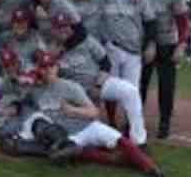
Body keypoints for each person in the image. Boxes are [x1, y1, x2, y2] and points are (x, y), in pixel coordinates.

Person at [0, 52, 170, 177]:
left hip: (88, 126)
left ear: (57, 67)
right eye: (44, 67)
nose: (48, 70)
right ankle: (122, 161)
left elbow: (94, 112)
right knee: (73, 152)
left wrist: (73, 111)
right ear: (39, 70)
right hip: (69, 136)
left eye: (51, 66)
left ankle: (156, 175)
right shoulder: (35, 91)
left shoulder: (71, 87)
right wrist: (17, 79)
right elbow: (17, 91)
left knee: (123, 142)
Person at [51, 13, 149, 147]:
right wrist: (54, 56)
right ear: (53, 31)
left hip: (96, 82)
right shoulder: (50, 49)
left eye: (66, 27)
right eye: (59, 28)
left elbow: (105, 63)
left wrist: (98, 85)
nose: (63, 30)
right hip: (73, 92)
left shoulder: (85, 40)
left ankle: (139, 140)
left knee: (130, 91)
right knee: (89, 127)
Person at [135, 0, 189, 139]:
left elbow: (182, 21)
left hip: (166, 42)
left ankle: (164, 122)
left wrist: (181, 45)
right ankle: (134, 119)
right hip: (144, 42)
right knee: (139, 83)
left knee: (166, 85)